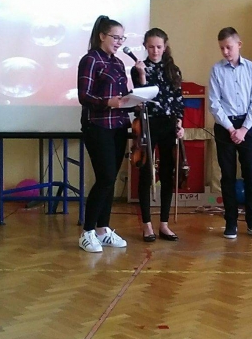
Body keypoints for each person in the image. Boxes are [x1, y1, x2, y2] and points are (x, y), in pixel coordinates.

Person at [76, 15, 130, 252]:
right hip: (97, 126)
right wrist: (108, 102)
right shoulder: (90, 60)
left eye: (122, 38)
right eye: (115, 37)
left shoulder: (118, 63)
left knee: (111, 179)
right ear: (101, 36)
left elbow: (122, 97)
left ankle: (102, 229)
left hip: (119, 126)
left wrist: (134, 100)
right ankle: (87, 231)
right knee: (105, 177)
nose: (119, 42)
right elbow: (84, 96)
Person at [209, 27, 252, 239]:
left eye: (229, 47)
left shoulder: (251, 68)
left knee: (251, 174)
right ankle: (231, 222)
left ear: (239, 45)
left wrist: (243, 129)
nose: (225, 52)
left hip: (246, 126)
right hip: (225, 127)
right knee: (228, 176)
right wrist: (231, 128)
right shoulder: (216, 70)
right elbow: (214, 103)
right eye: (222, 48)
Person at [132, 28, 185, 242]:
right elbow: (141, 96)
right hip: (147, 123)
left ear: (165, 47)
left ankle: (164, 223)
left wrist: (179, 123)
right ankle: (147, 225)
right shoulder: (138, 69)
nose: (155, 51)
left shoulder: (174, 70)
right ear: (145, 46)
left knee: (167, 172)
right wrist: (142, 74)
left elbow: (178, 99)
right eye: (151, 47)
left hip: (168, 124)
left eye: (159, 47)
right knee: (146, 173)